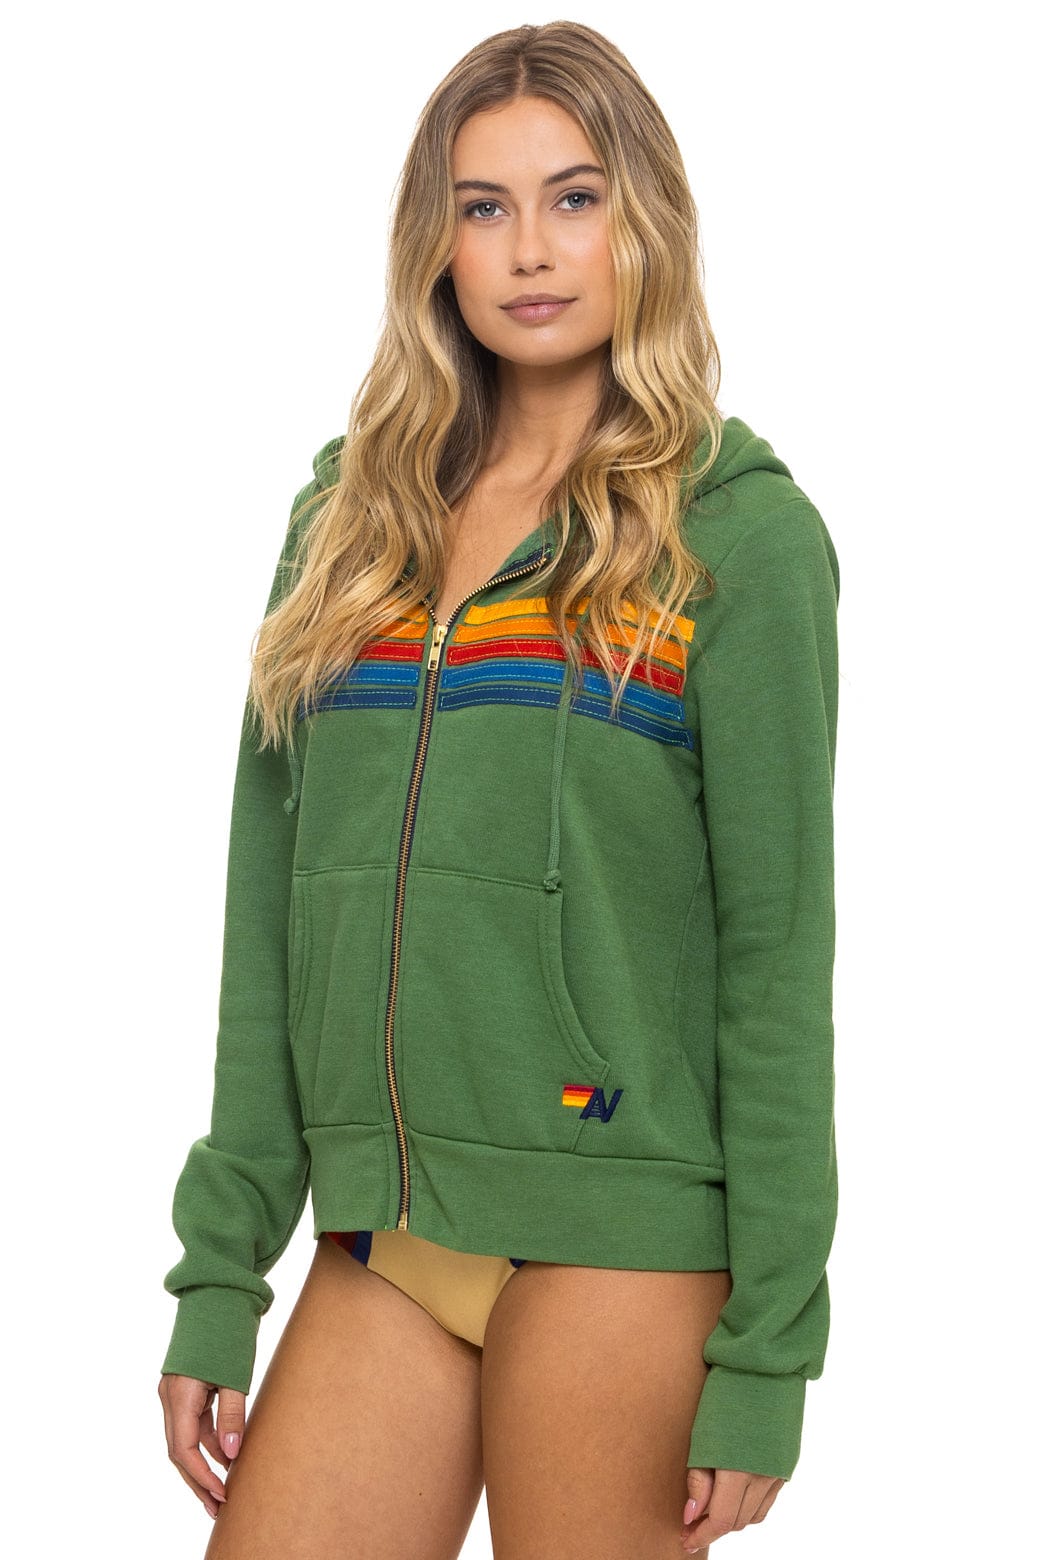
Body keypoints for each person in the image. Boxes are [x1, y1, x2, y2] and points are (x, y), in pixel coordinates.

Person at [157, 19, 840, 1559]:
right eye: (485, 206)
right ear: (439, 244)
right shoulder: (347, 528)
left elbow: (778, 965)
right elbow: (267, 923)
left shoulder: (735, 540)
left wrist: (771, 1352)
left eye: (574, 198)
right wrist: (221, 1270)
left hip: (621, 1232)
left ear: (643, 222)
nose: (530, 248)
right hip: (387, 1230)